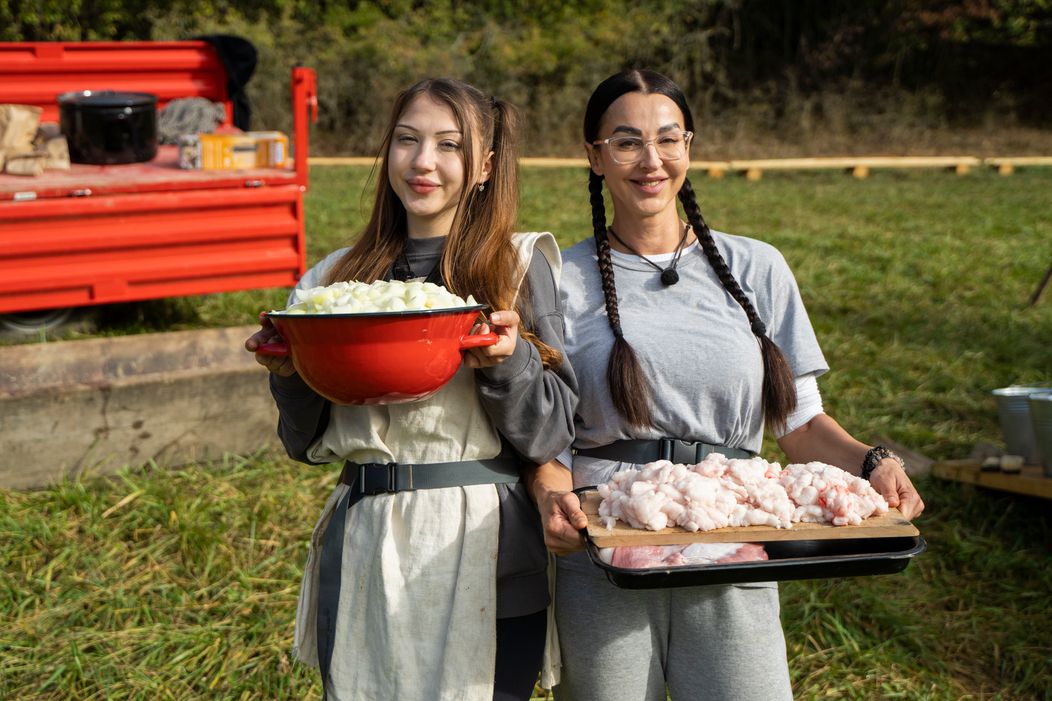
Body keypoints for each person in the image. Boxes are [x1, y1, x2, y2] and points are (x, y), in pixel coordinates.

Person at [530, 69, 925, 701]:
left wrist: (873, 462)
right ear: (594, 156)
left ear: (689, 147)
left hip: (731, 537)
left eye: (669, 139)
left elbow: (798, 426)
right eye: (627, 141)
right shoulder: (555, 278)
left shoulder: (757, 267)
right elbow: (543, 435)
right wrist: (552, 498)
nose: (651, 160)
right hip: (606, 543)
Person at [245, 78, 577, 701]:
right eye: (406, 140)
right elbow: (302, 440)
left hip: (485, 545)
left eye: (448, 145)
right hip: (366, 542)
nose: (423, 162)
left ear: (484, 166)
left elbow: (554, 430)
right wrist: (290, 373)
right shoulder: (330, 282)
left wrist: (507, 362)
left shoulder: (516, 267)